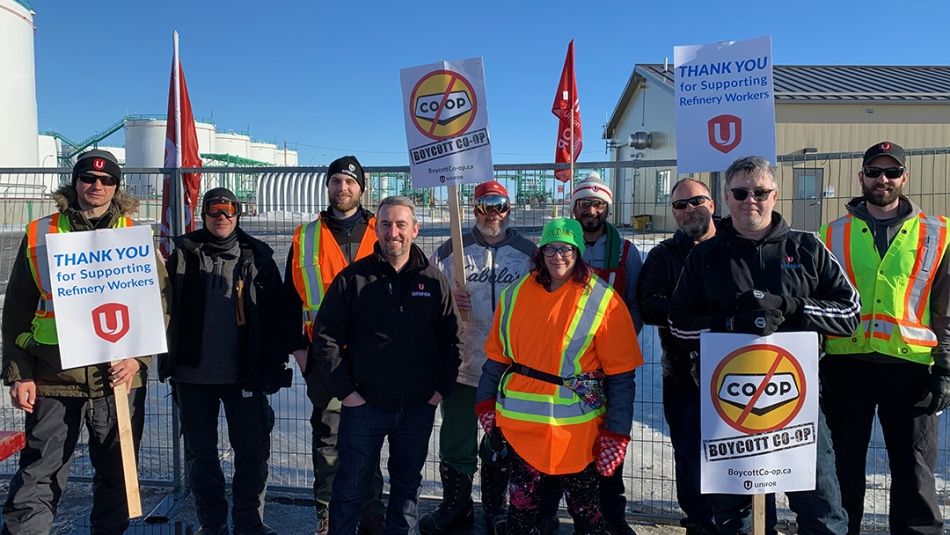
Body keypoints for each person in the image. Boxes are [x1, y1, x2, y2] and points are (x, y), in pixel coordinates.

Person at [668, 156, 859, 535]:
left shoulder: (807, 248)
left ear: (775, 195)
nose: (749, 200)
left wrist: (794, 307)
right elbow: (677, 321)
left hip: (797, 407)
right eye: (740, 192)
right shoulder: (706, 256)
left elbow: (850, 313)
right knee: (737, 520)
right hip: (729, 409)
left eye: (760, 192)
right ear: (725, 197)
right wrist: (727, 323)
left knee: (821, 511)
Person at [0, 149, 169, 534]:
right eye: (88, 178)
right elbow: (17, 311)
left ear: (116, 187)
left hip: (117, 376)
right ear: (74, 183)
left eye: (106, 180)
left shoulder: (134, 234)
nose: (97, 186)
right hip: (54, 373)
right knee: (41, 468)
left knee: (116, 472)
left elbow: (158, 303)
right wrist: (18, 372)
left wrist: (139, 359)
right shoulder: (42, 233)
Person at [476, 218, 643, 535]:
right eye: (550, 247)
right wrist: (484, 402)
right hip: (520, 427)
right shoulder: (515, 295)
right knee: (521, 512)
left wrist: (616, 433)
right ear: (540, 252)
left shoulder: (603, 300)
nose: (557, 255)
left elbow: (622, 376)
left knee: (586, 513)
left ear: (578, 251)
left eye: (566, 248)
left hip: (577, 434)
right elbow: (497, 359)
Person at [309, 196, 462, 535]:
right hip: (364, 405)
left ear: (415, 229)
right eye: (386, 224)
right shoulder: (354, 279)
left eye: (401, 224)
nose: (394, 232)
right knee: (349, 489)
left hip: (417, 408)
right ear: (376, 229)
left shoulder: (434, 282)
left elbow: (451, 340)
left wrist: (439, 392)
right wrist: (347, 393)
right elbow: (326, 338)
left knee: (407, 491)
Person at [819, 141, 949, 535]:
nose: (883, 180)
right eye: (874, 172)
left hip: (910, 369)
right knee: (843, 467)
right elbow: (819, 302)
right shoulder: (831, 234)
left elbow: (946, 308)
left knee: (914, 470)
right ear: (861, 177)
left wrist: (945, 366)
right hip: (846, 366)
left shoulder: (938, 233)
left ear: (905, 178)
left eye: (892, 172)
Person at [162, 188, 291, 535]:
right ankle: (213, 524)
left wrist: (274, 363)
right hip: (192, 376)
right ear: (203, 214)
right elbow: (158, 305)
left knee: (252, 453)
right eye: (214, 210)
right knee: (201, 457)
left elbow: (277, 316)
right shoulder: (182, 255)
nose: (221, 217)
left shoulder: (258, 257)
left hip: (243, 376)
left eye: (228, 211)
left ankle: (249, 522)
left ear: (238, 215)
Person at [420, 180, 536, 535]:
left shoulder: (529, 253)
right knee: (457, 436)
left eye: (500, 205)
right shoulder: (450, 250)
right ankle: (456, 505)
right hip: (462, 363)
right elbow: (427, 299)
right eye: (486, 205)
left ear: (510, 208)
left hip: (508, 368)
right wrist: (451, 306)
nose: (493, 214)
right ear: (474, 208)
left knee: (500, 440)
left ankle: (496, 507)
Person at [282, 155, 386, 535]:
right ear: (328, 187)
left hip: (373, 358)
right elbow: (289, 301)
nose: (343, 188)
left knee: (370, 436)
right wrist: (299, 349)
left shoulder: (383, 230)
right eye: (336, 181)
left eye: (350, 182)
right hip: (323, 358)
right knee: (329, 438)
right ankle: (327, 511)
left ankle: (370, 510)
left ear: (361, 188)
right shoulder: (305, 236)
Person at [538, 172, 643, 534]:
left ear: (607, 209)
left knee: (607, 443)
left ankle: (614, 517)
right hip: (564, 370)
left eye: (598, 204)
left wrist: (614, 345)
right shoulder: (560, 251)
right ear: (575, 208)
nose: (591, 210)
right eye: (584, 204)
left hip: (607, 366)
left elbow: (636, 306)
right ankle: (545, 513)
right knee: (557, 439)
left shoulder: (626, 253)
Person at [637, 178, 717, 535]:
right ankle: (698, 521)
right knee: (688, 453)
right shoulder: (663, 255)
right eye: (680, 205)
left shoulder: (738, 244)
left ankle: (739, 520)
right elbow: (650, 304)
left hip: (741, 372)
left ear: (712, 203)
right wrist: (706, 319)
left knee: (739, 449)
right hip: (684, 373)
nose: (689, 210)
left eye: (696, 201)